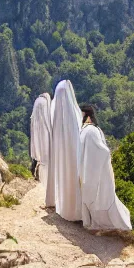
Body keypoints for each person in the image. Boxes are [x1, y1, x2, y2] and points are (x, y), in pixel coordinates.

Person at [78, 104, 132, 231]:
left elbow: (102, 151)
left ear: (87, 115)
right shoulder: (87, 130)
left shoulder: (91, 130)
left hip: (93, 170)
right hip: (87, 169)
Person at [50, 80, 83, 221]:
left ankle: (67, 208)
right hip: (73, 155)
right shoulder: (76, 115)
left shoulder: (56, 115)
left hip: (64, 156)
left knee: (65, 177)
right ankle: (76, 210)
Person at [30, 93, 53, 206]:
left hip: (37, 136)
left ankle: (34, 171)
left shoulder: (37, 103)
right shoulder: (45, 104)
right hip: (45, 137)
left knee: (36, 158)